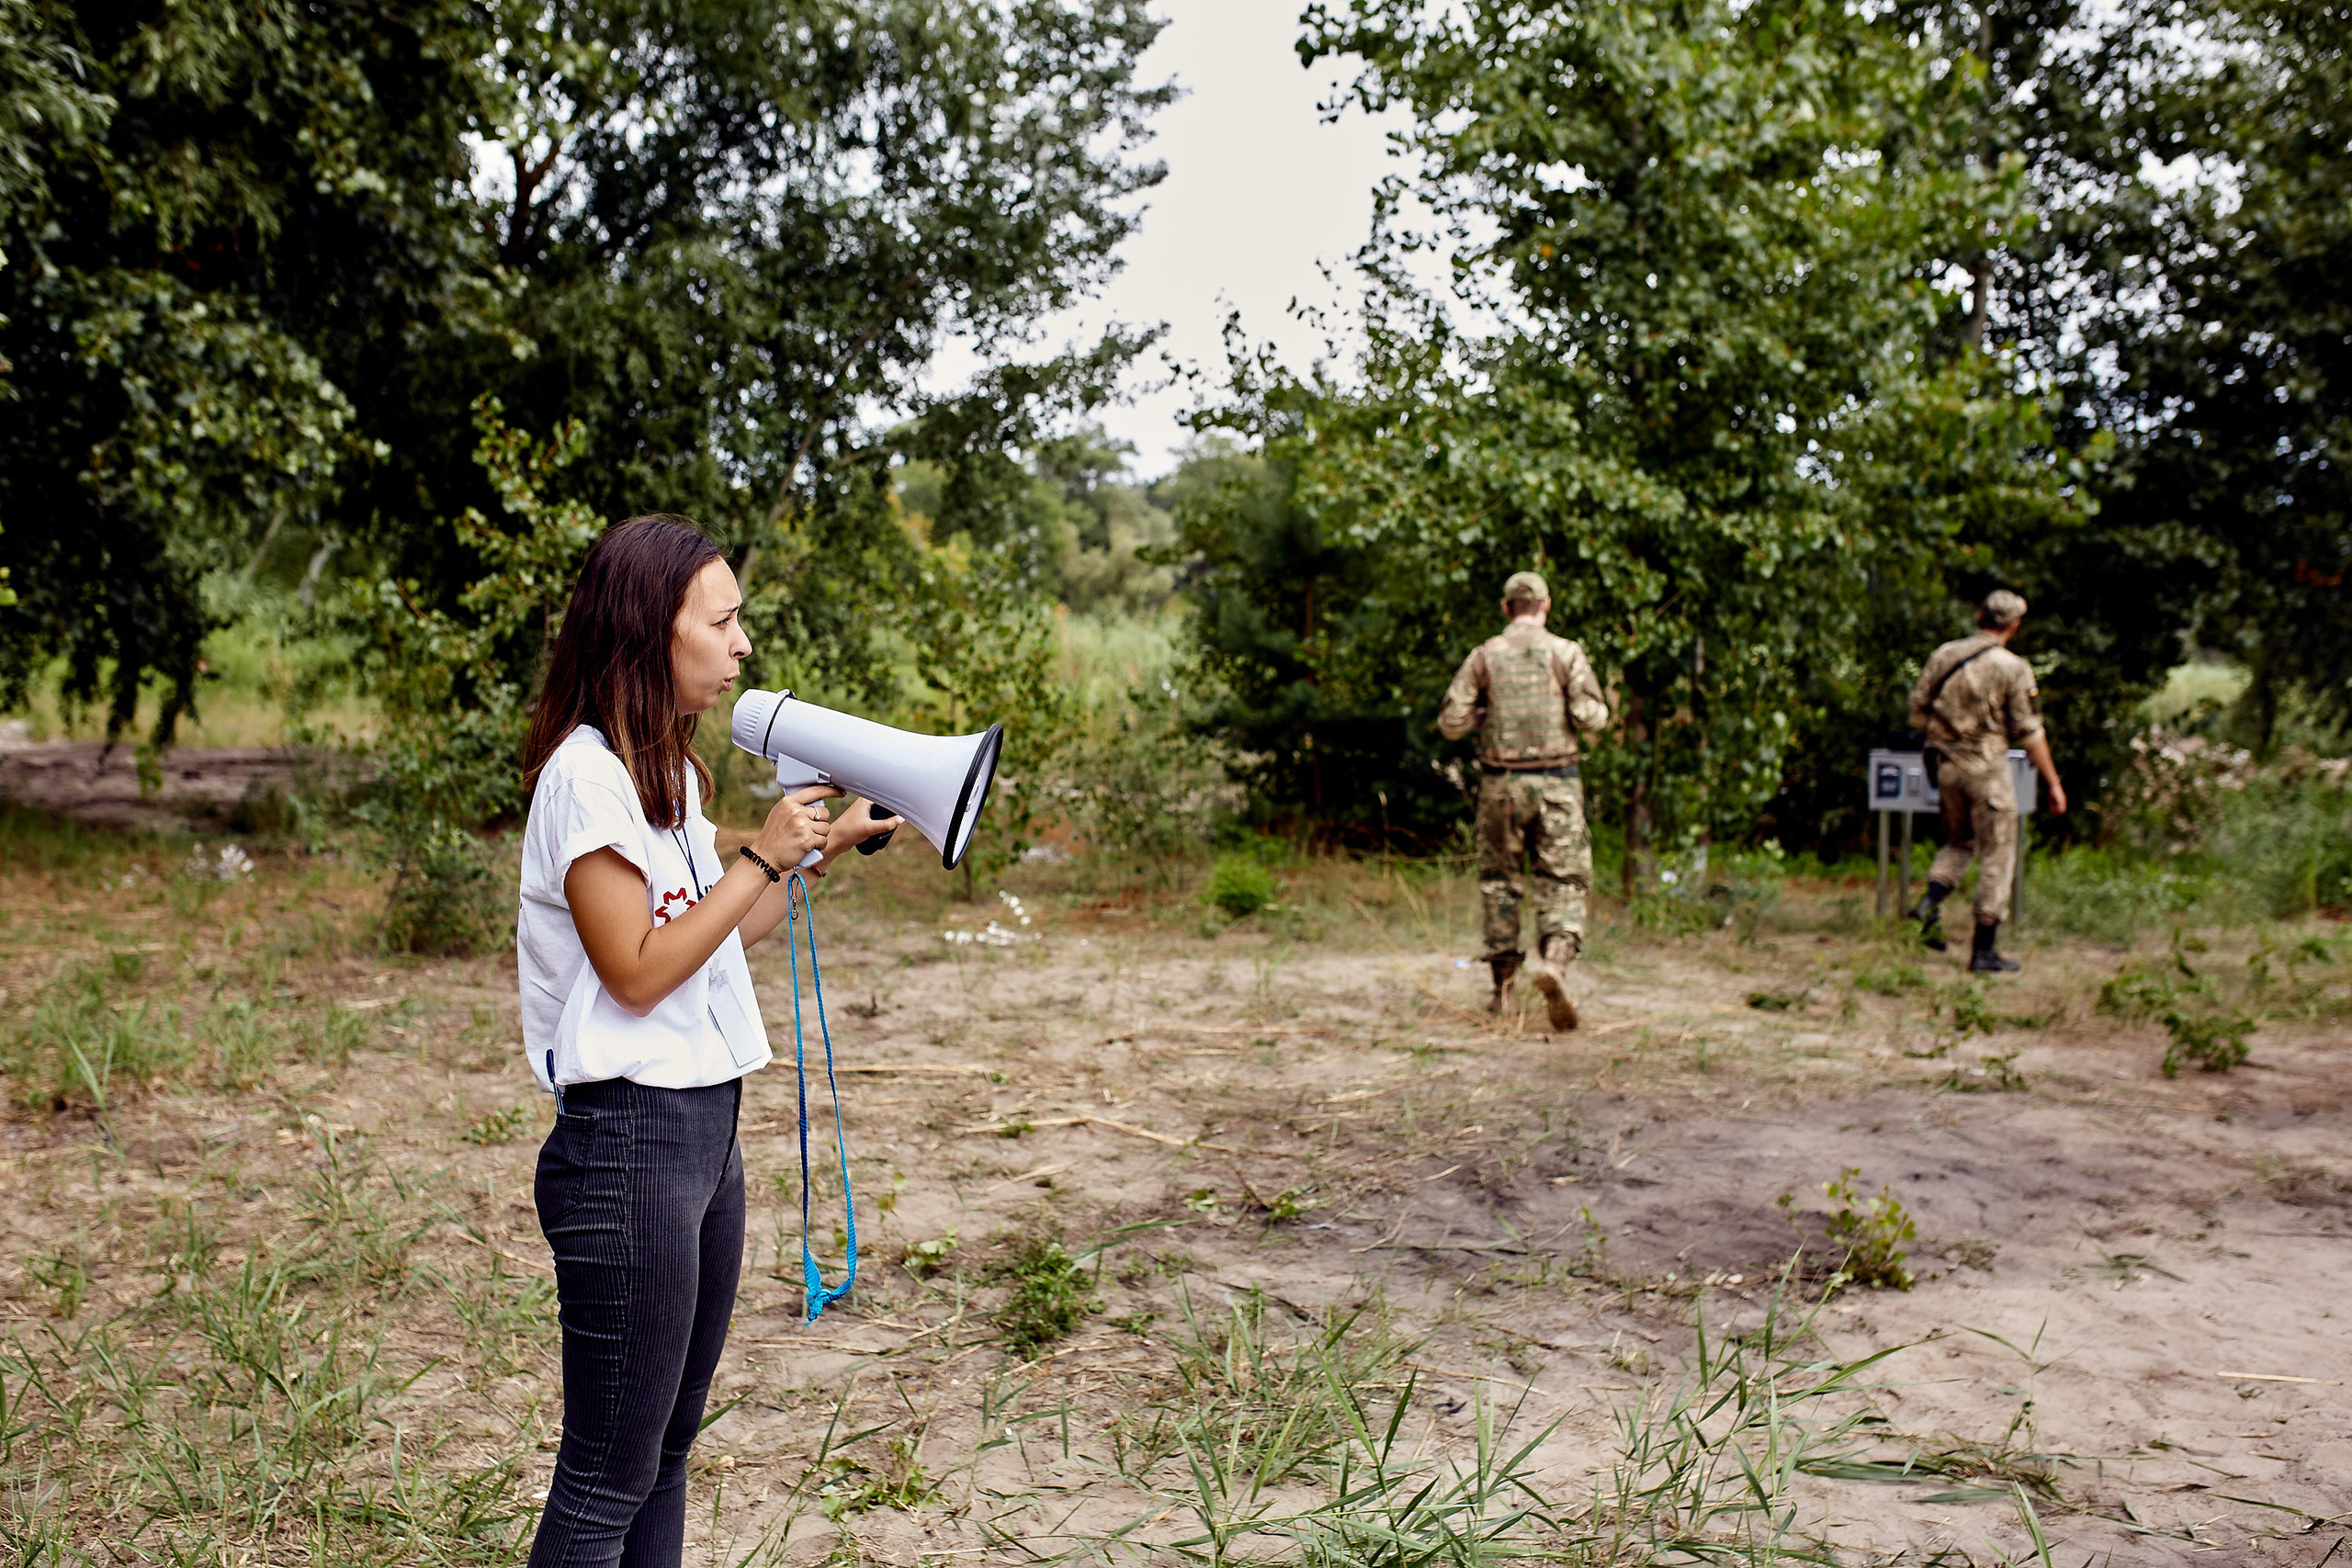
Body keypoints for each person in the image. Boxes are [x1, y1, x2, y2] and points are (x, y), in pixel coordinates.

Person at [514, 514, 898, 1567]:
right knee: (605, 1478)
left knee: (663, 1454)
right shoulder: (585, 780)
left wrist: (817, 850)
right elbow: (637, 972)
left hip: (702, 1136)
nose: (742, 645)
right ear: (651, 631)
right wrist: (759, 858)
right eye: (721, 623)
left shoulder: (666, 774)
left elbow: (712, 937)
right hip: (626, 1145)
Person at [1437, 570, 1610, 1031]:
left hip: (1501, 786)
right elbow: (1591, 717)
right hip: (1557, 784)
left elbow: (1451, 722)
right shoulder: (1565, 653)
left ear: (1506, 608)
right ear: (1545, 606)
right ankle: (1555, 964)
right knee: (1564, 881)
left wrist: (1483, 715)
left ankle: (1504, 994)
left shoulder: (1485, 656)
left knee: (1500, 884)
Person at [1906, 588, 2068, 973]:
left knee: (1958, 842)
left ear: (1980, 616)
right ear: (2014, 626)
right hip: (1988, 771)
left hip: (1946, 767)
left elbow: (1917, 712)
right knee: (1998, 852)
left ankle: (1928, 904)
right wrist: (2053, 783)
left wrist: (1947, 739)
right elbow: (2029, 731)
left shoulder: (1945, 655)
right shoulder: (2013, 668)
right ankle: (1984, 949)